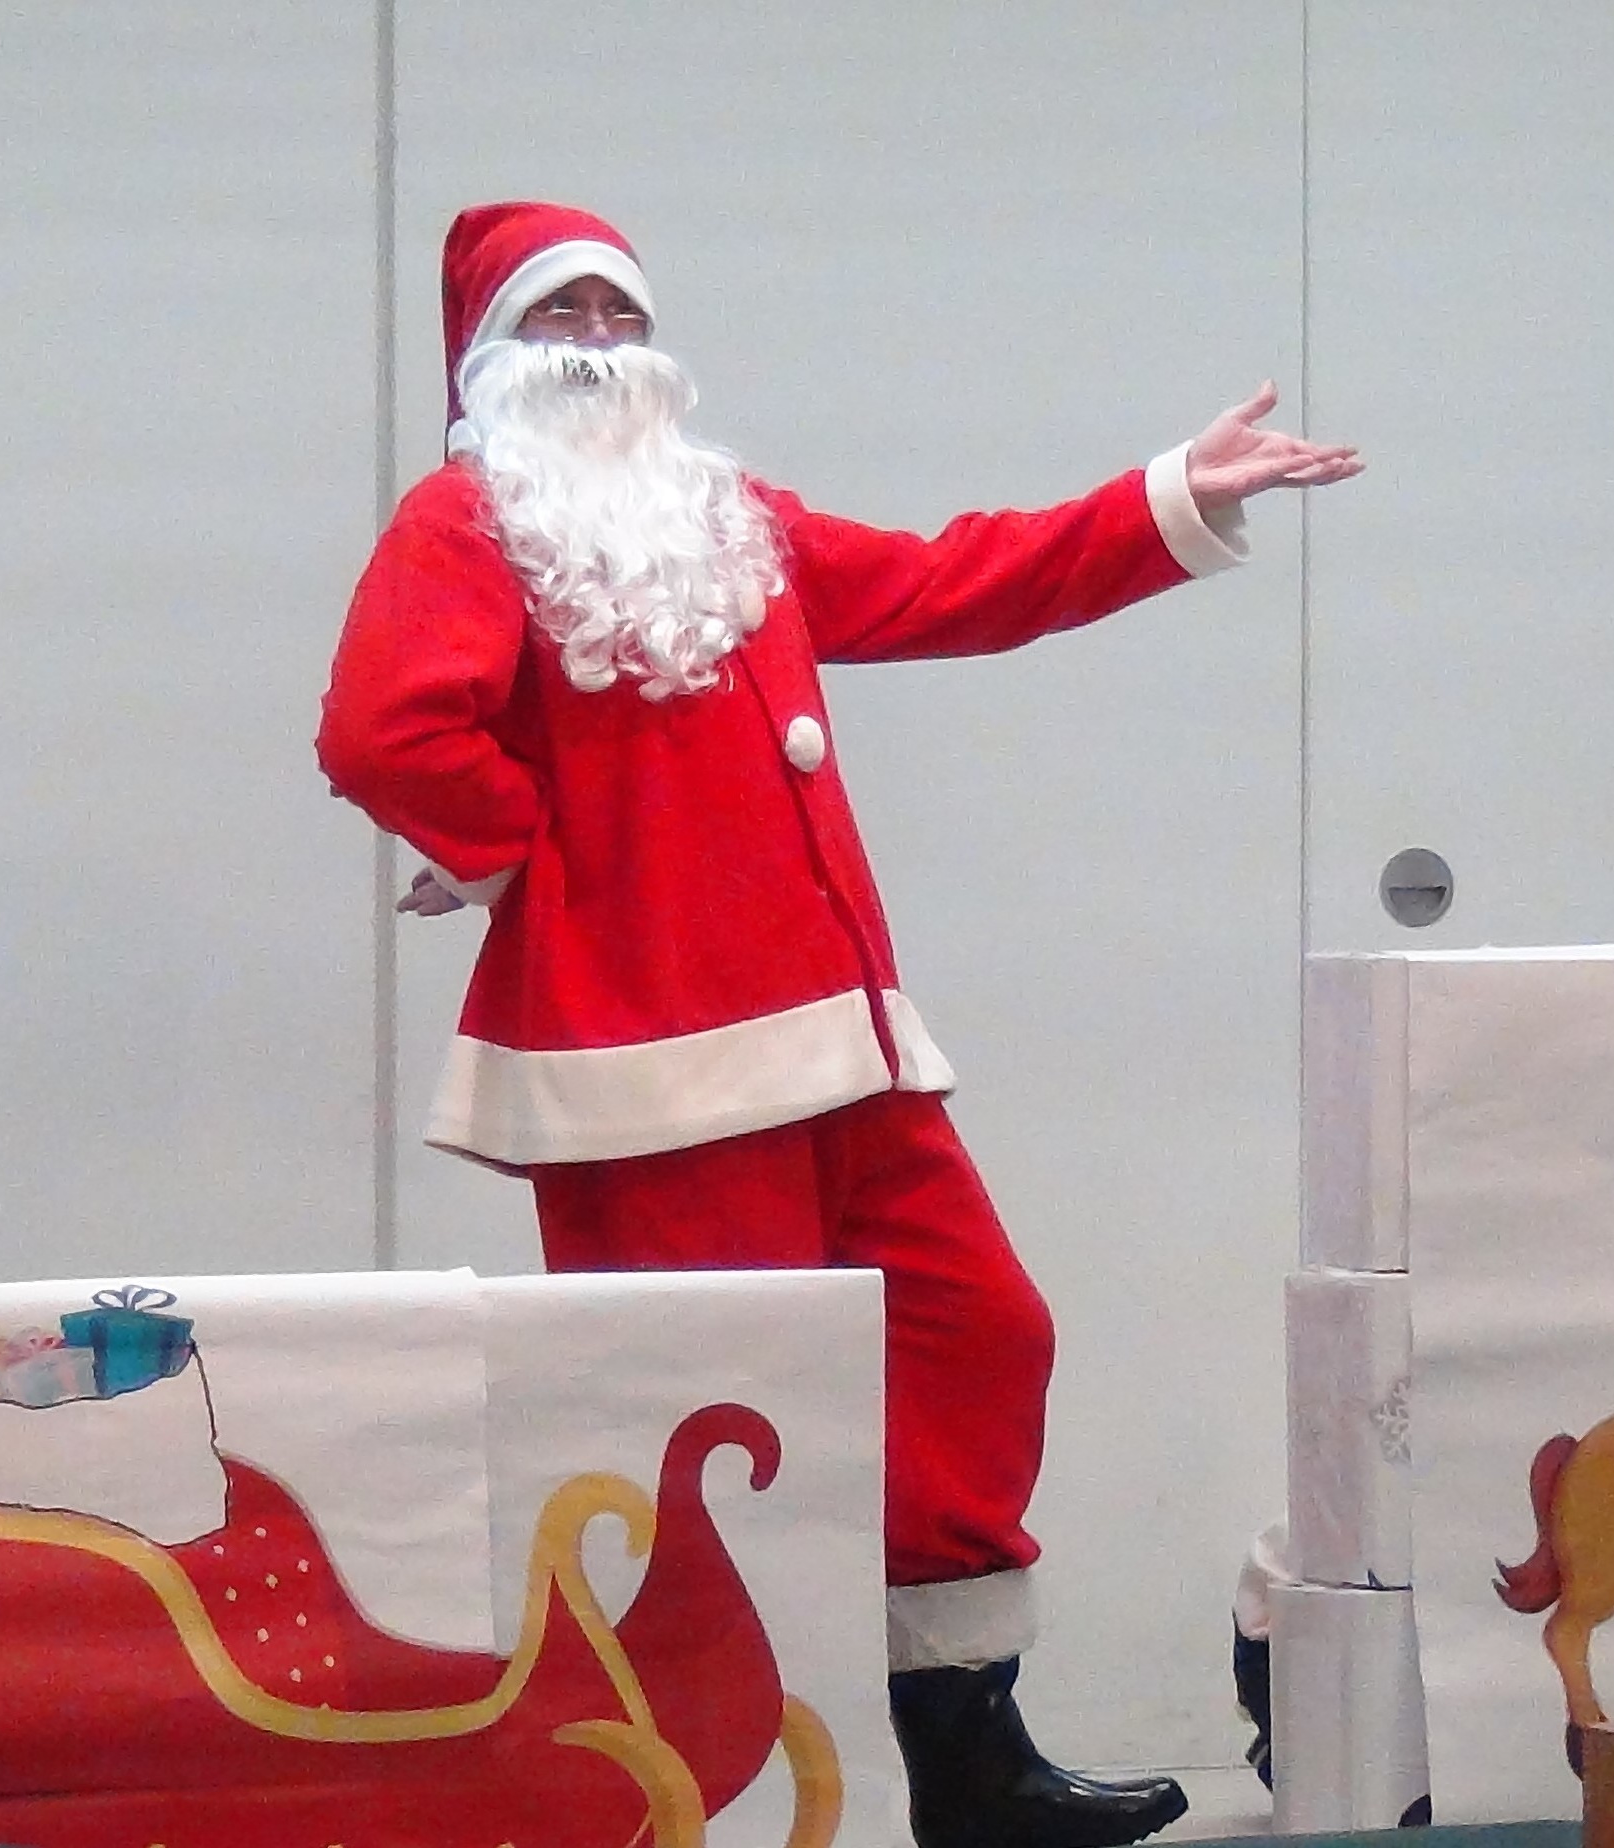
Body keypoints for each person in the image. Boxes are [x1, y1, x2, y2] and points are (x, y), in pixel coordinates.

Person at [317, 201, 1360, 1848]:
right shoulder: (463, 522)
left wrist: (1167, 496)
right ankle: (729, 1786)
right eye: (555, 317)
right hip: (650, 1075)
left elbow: (946, 581)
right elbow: (387, 730)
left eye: (616, 313)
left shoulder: (729, 519)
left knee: (976, 1338)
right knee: (721, 1422)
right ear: (489, 359)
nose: (594, 345)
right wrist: (533, 861)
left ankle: (962, 1756)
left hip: (841, 1052)